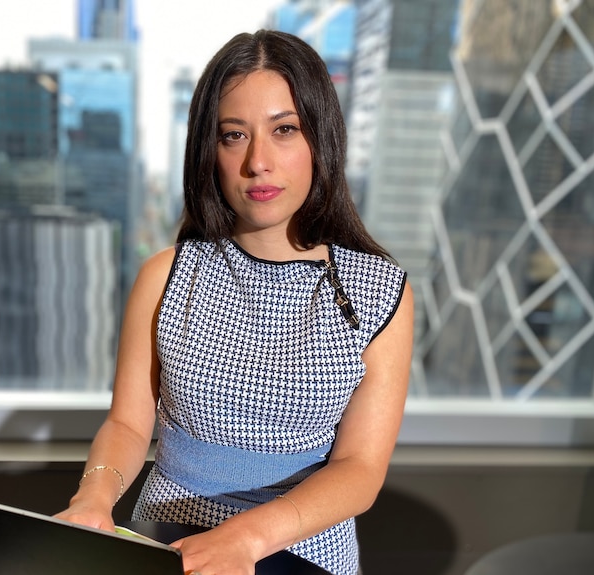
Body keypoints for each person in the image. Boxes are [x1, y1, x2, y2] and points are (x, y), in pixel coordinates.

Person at [55, 29, 414, 575]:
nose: (257, 163)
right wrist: (93, 498)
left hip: (302, 543)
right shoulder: (165, 275)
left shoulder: (378, 290)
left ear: (322, 138)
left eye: (285, 130)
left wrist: (245, 538)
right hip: (168, 534)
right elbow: (129, 425)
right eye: (233, 136)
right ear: (209, 150)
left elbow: (360, 469)